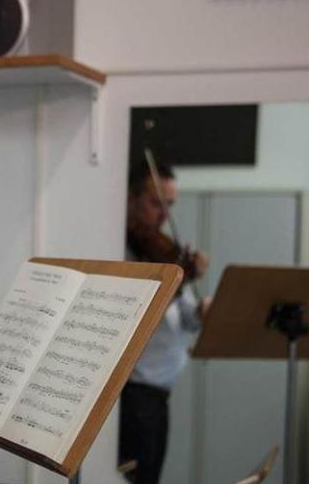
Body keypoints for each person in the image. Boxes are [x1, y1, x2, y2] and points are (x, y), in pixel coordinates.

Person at [118, 160, 210, 484]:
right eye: (156, 204)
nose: (164, 216)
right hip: (134, 396)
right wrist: (182, 280)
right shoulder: (120, 251)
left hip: (159, 396)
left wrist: (201, 311)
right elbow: (139, 314)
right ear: (130, 199)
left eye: (170, 206)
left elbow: (185, 318)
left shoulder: (163, 253)